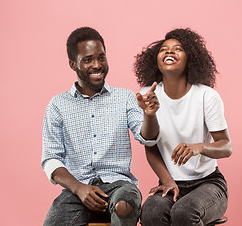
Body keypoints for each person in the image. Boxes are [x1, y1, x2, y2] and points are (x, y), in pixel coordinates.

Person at [41, 26, 160, 226]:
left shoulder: (125, 98)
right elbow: (51, 159)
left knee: (126, 204)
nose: (97, 65)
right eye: (88, 60)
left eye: (101, 57)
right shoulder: (57, 105)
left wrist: (149, 115)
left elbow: (147, 137)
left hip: (119, 185)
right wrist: (79, 188)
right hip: (77, 189)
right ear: (73, 64)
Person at [134, 28, 232, 226]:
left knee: (184, 212)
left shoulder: (206, 96)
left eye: (177, 49)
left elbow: (226, 146)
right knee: (150, 213)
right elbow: (150, 145)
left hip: (208, 183)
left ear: (191, 60)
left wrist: (199, 147)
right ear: (156, 60)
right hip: (170, 182)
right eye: (164, 49)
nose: (169, 52)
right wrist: (149, 114)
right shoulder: (147, 95)